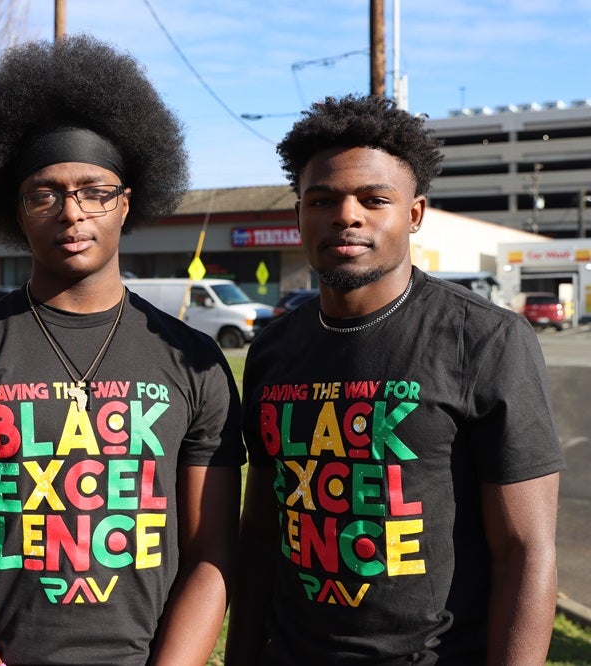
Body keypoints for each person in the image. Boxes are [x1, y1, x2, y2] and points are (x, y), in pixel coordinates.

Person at [0, 34, 245, 665]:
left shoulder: (193, 363)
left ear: (126, 203)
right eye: (45, 192)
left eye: (94, 190)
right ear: (15, 209)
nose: (71, 212)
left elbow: (212, 557)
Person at [225, 94, 565, 664]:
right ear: (299, 215)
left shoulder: (485, 339)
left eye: (373, 199)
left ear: (414, 214)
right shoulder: (274, 349)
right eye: (323, 199)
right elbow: (261, 534)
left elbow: (526, 552)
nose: (347, 215)